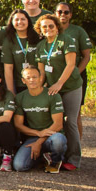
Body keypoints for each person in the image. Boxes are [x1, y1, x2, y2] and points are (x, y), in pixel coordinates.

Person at [35, 14, 84, 171]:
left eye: (51, 26)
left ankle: (74, 159)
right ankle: (57, 157)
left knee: (70, 121)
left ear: (57, 27)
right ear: (40, 30)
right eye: (44, 27)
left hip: (70, 87)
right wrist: (38, 90)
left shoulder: (66, 41)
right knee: (54, 122)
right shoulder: (41, 46)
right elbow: (42, 72)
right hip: (52, 88)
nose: (48, 29)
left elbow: (70, 65)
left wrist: (59, 83)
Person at [13, 65, 68, 173]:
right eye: (28, 78)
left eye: (35, 77)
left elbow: (58, 124)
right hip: (33, 137)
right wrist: (38, 134)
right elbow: (18, 125)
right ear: (23, 81)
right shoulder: (20, 98)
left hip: (52, 135)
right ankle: (42, 158)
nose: (32, 80)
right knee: (19, 166)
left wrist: (39, 142)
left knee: (58, 140)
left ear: (40, 78)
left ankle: (55, 161)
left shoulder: (52, 95)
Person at [56, 2, 93, 140]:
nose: (62, 15)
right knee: (56, 112)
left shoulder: (78, 31)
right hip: (55, 75)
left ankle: (76, 146)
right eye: (59, 12)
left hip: (75, 75)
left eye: (66, 12)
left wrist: (75, 72)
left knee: (74, 114)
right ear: (55, 13)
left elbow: (86, 56)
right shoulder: (51, 29)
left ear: (70, 15)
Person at [0, 10, 41, 94]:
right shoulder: (9, 41)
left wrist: (41, 85)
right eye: (16, 20)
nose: (20, 22)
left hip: (40, 84)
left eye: (23, 19)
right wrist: (11, 93)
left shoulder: (38, 38)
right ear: (11, 22)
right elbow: (8, 68)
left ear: (28, 21)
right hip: (20, 84)